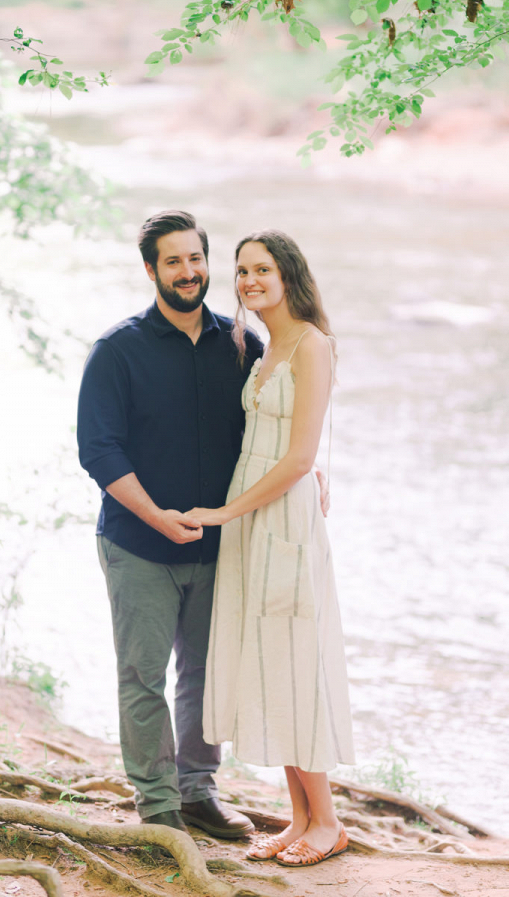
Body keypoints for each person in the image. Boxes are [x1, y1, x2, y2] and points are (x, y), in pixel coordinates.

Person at [77, 211, 329, 837]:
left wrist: (310, 467)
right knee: (143, 675)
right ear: (150, 270)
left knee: (205, 673)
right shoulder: (117, 350)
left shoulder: (240, 344)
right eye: (173, 261)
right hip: (138, 543)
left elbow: (274, 424)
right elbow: (98, 449)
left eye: (197, 259)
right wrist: (154, 516)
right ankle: (158, 806)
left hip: (224, 543)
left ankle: (197, 792)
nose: (189, 272)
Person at [187, 230, 355, 866]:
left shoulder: (312, 345)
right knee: (267, 659)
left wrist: (229, 510)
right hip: (254, 512)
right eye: (241, 271)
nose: (249, 280)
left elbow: (301, 455)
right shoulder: (260, 347)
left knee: (296, 661)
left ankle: (329, 823)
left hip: (279, 518)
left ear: (288, 274)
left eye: (261, 269)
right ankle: (299, 819)